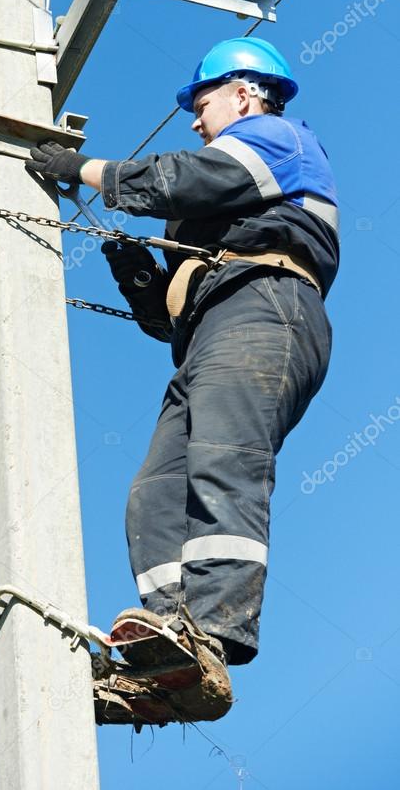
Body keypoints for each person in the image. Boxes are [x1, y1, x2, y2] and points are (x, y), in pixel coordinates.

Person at [26, 38, 339, 724]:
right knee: (154, 494)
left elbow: (178, 178)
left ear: (243, 92)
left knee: (224, 462)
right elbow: (167, 318)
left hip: (267, 305)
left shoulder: (276, 137)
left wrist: (84, 169)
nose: (195, 120)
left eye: (200, 104)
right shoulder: (229, 197)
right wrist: (143, 282)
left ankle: (215, 628)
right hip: (212, 327)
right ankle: (170, 648)